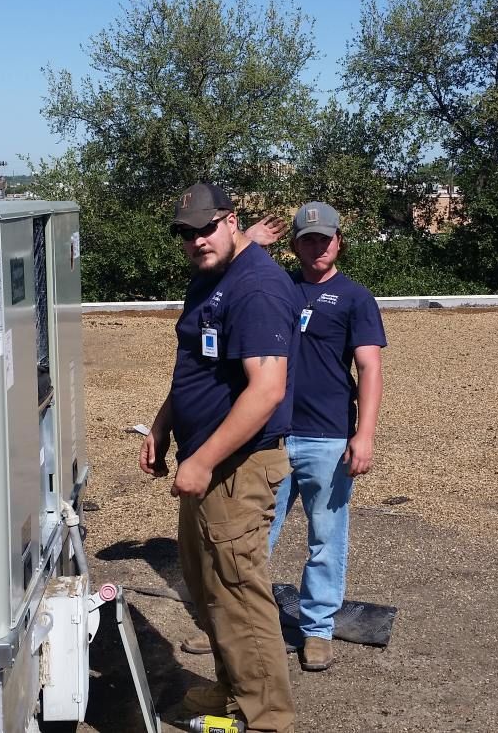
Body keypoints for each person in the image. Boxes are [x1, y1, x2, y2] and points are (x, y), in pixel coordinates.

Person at [141, 182, 300, 733]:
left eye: (206, 227)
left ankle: (267, 719)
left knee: (238, 592)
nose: (196, 240)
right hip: (206, 464)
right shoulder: (214, 276)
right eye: (186, 232)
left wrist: (204, 460)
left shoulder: (255, 288)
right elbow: (198, 368)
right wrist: (164, 424)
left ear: (231, 221)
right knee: (209, 585)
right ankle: (235, 691)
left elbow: (267, 390)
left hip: (236, 468)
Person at [241, 201, 386, 672]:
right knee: (255, 535)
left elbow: (369, 367)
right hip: (274, 435)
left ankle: (318, 630)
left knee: (326, 539)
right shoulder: (278, 289)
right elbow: (224, 273)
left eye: (325, 238)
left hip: (329, 438)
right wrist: (247, 239)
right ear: (294, 246)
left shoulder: (355, 298)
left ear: (339, 241)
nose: (317, 246)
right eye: (307, 239)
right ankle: (241, 627)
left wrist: (363, 434)